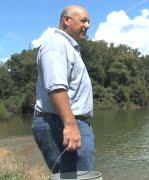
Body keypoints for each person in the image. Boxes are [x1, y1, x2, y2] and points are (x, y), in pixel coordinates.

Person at [32, 5, 94, 174]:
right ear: (66, 20)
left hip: (65, 122)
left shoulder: (68, 47)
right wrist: (71, 125)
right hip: (60, 123)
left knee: (80, 175)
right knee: (75, 176)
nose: (87, 25)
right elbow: (56, 87)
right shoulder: (56, 44)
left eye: (88, 22)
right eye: (83, 21)